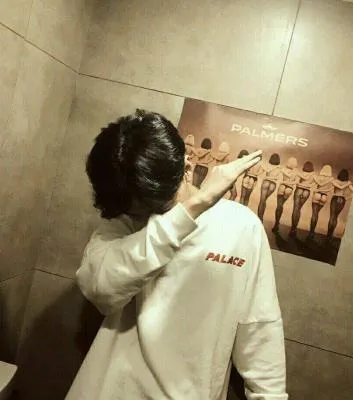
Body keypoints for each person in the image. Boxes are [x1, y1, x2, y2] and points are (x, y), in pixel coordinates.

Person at [66, 110, 288, 400]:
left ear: (186, 165)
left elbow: (260, 328)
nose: (147, 216)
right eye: (139, 211)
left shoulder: (242, 227)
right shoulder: (124, 219)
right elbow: (102, 290)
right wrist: (194, 207)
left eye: (157, 206)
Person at [272, 157, 298, 233]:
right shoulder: (296, 172)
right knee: (282, 204)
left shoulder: (283, 169)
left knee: (279, 206)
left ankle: (277, 223)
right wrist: (289, 183)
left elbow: (280, 179)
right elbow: (295, 182)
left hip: (282, 186)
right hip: (289, 188)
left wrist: (284, 182)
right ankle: (292, 228)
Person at [289, 161, 315, 237]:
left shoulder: (300, 173)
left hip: (299, 189)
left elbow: (297, 182)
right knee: (299, 209)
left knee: (295, 209)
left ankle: (292, 229)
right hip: (306, 191)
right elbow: (313, 185)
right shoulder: (314, 175)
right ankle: (295, 229)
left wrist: (301, 184)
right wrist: (307, 185)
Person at [308, 164, 334, 240]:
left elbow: (313, 186)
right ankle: (313, 232)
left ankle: (311, 232)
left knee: (314, 214)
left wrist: (318, 190)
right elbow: (330, 190)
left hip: (317, 194)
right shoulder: (331, 179)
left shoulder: (318, 177)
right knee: (317, 214)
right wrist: (324, 190)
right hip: (324, 196)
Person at [327, 168, 353, 240]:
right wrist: (347, 198)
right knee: (335, 217)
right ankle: (331, 235)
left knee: (331, 217)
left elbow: (331, 189)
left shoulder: (335, 181)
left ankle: (328, 235)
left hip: (335, 198)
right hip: (342, 199)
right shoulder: (348, 183)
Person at [257, 153, 282, 222]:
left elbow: (260, 173)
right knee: (264, 200)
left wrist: (266, 177)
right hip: (273, 184)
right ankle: (261, 218)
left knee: (262, 201)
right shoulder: (280, 168)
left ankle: (260, 219)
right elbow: (278, 178)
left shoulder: (267, 165)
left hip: (266, 182)